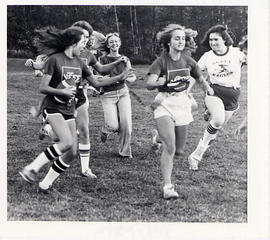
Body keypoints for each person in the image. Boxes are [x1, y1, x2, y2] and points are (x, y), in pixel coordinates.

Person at [19, 26, 134, 193]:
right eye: (82, 43)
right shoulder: (55, 60)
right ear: (72, 43)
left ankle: (45, 184)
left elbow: (97, 82)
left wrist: (120, 76)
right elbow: (43, 87)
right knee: (66, 142)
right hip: (53, 107)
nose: (85, 46)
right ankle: (31, 168)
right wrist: (62, 91)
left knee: (72, 152)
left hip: (68, 107)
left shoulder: (80, 62)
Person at [146, 24, 213, 199]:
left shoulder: (188, 61)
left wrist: (208, 89)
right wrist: (161, 81)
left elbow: (199, 77)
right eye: (177, 38)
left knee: (179, 151)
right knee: (170, 147)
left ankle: (157, 137)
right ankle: (168, 187)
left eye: (183, 38)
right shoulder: (160, 61)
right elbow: (149, 84)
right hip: (164, 104)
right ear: (168, 42)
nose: (181, 41)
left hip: (182, 104)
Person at [188, 25, 247, 171]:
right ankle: (196, 156)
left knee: (216, 127)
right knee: (218, 119)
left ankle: (210, 112)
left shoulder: (237, 53)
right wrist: (187, 91)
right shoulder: (208, 56)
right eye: (210, 40)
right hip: (214, 92)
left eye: (216, 40)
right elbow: (195, 74)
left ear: (225, 40)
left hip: (233, 97)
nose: (213, 43)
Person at [99, 32, 136, 158]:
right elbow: (99, 78)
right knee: (113, 125)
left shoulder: (125, 59)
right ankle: (105, 130)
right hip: (108, 95)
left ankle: (124, 152)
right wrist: (115, 78)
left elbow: (131, 76)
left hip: (123, 93)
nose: (114, 44)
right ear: (108, 45)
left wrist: (129, 78)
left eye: (116, 41)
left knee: (126, 123)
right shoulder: (102, 60)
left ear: (119, 43)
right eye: (111, 42)